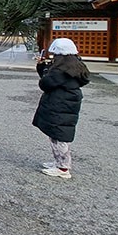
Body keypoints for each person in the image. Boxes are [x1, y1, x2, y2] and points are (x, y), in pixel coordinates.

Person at [32, 38, 90, 179]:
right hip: (67, 103)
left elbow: (45, 83)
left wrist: (43, 69)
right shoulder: (75, 66)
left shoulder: (61, 70)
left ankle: (63, 168)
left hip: (60, 103)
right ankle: (58, 163)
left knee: (59, 136)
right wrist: (42, 67)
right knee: (58, 135)